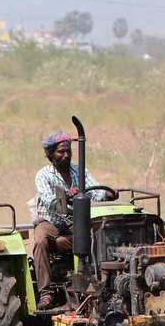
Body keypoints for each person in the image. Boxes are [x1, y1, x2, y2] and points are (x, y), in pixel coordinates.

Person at [33, 131, 112, 310]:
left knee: (99, 237)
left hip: (76, 221)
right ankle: (46, 294)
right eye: (61, 151)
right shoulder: (43, 175)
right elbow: (49, 201)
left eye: (68, 151)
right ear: (50, 154)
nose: (66, 155)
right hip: (50, 221)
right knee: (40, 241)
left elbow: (95, 191)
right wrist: (67, 196)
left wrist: (107, 194)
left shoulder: (80, 170)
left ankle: (97, 285)